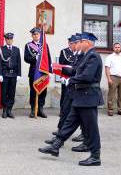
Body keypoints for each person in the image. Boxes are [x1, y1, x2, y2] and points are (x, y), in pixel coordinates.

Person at [39, 32, 103, 166]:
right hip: (81, 97)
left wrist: (71, 81)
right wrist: (58, 69)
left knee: (91, 128)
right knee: (69, 123)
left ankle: (95, 156)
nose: (81, 43)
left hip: (88, 96)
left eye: (83, 41)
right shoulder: (86, 56)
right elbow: (75, 70)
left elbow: (87, 76)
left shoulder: (94, 57)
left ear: (89, 43)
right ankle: (55, 146)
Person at [24, 27, 52, 118]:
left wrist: (50, 70)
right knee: (33, 91)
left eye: (37, 34)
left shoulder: (44, 45)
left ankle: (40, 109)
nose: (36, 36)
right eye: (34, 34)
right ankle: (33, 109)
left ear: (40, 35)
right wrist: (34, 59)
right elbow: (26, 58)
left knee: (43, 90)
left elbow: (48, 57)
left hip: (43, 72)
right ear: (32, 36)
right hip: (33, 71)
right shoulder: (28, 45)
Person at [0, 32, 22, 118]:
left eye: (11, 39)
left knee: (11, 93)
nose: (9, 40)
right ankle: (4, 109)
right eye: (7, 39)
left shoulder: (16, 49)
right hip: (4, 74)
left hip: (13, 74)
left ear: (12, 40)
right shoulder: (1, 49)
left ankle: (9, 110)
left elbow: (19, 62)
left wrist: (19, 74)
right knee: (4, 93)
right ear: (5, 40)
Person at [104, 42, 121, 116]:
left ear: (120, 48)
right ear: (113, 48)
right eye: (116, 47)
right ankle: (110, 110)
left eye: (119, 47)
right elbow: (107, 68)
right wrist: (109, 78)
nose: (117, 48)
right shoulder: (110, 57)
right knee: (111, 94)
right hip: (113, 77)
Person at [58, 36, 78, 116]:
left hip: (75, 76)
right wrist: (62, 76)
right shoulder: (64, 52)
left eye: (73, 43)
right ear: (68, 43)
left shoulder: (78, 52)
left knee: (73, 93)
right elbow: (61, 66)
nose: (72, 45)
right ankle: (62, 110)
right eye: (71, 43)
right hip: (65, 76)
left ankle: (71, 110)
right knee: (65, 94)